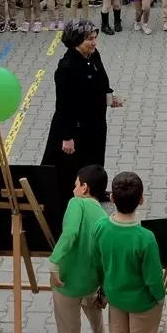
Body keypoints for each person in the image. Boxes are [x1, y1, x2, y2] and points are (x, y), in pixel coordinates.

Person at [41, 19, 122, 211]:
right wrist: (67, 137)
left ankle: (94, 192)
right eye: (89, 39)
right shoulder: (66, 68)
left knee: (95, 159)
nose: (94, 43)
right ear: (76, 40)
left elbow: (101, 79)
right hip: (75, 128)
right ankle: (67, 201)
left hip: (95, 123)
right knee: (71, 167)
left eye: (95, 38)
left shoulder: (92, 55)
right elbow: (64, 105)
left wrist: (109, 97)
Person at [93, 171, 166, 333]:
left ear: (112, 198)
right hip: (142, 303)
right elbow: (153, 278)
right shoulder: (145, 238)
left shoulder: (100, 227)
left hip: (115, 297)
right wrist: (160, 298)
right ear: (141, 200)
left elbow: (98, 262)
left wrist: (104, 289)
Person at [50, 164, 111, 333]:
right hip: (91, 281)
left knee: (69, 326)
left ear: (84, 187)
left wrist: (54, 262)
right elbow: (105, 257)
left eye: (76, 184)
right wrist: (104, 290)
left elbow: (70, 234)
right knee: (94, 308)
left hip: (66, 281)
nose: (73, 188)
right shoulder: (103, 216)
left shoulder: (76, 203)